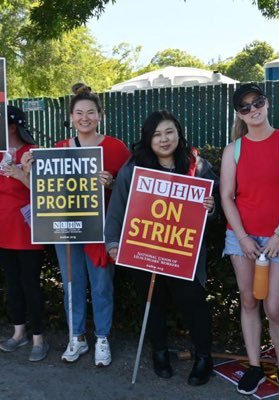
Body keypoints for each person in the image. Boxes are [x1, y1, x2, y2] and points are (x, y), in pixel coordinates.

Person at [105, 110, 218, 386]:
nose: (164, 139)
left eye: (169, 132)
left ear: (178, 133)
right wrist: (113, 242)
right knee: (152, 304)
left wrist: (211, 208)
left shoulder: (197, 166)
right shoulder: (134, 168)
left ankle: (204, 356)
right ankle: (159, 353)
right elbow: (117, 207)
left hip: (183, 253)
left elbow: (215, 208)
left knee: (193, 305)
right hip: (144, 250)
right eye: (157, 134)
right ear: (148, 139)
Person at [220, 83, 279, 397]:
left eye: (257, 102)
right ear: (238, 113)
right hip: (241, 237)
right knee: (248, 299)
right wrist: (241, 237)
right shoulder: (234, 149)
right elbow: (227, 196)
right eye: (245, 107)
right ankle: (255, 365)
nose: (253, 110)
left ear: (266, 103)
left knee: (274, 307)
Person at [53, 83, 130, 366]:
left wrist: (111, 183)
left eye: (90, 112)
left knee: (101, 285)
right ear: (71, 117)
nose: (84, 118)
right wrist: (28, 163)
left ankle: (102, 338)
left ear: (100, 115)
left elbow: (131, 189)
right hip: (67, 227)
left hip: (100, 228)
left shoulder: (116, 147)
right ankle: (77, 337)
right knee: (72, 284)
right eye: (78, 113)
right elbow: (45, 187)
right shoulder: (60, 148)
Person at [0, 106, 49, 362]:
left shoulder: (33, 153)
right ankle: (18, 332)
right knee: (13, 283)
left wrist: (20, 174)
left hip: (28, 229)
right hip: (3, 229)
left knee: (31, 284)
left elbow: (45, 192)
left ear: (11, 126)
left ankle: (39, 337)